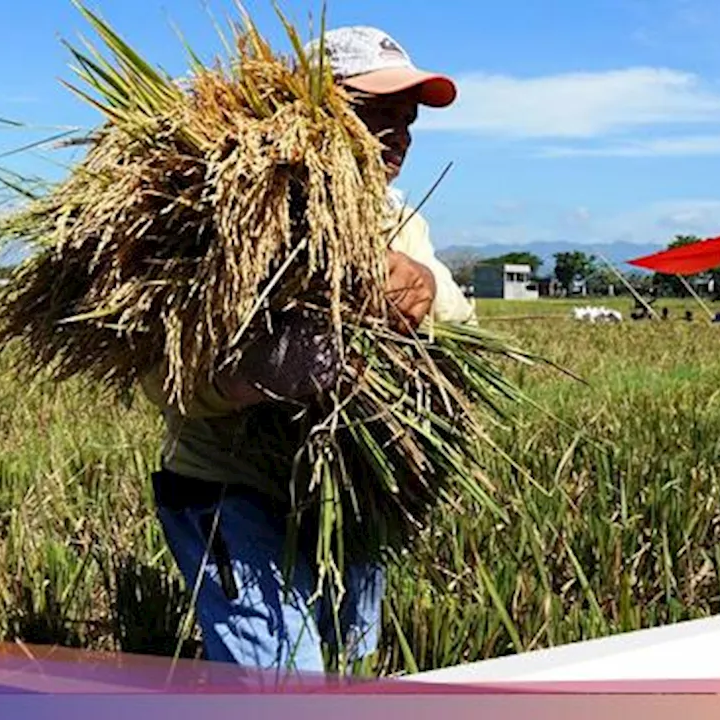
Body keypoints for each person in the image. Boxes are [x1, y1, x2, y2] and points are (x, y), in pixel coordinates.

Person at [138, 26, 476, 674]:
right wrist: (258, 375)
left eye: (406, 120)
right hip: (231, 489)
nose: (399, 133)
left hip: (352, 485)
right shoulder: (219, 213)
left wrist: (423, 287)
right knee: (284, 678)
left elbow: (464, 326)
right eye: (376, 112)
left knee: (351, 660)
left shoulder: (399, 220)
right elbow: (159, 375)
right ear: (309, 112)